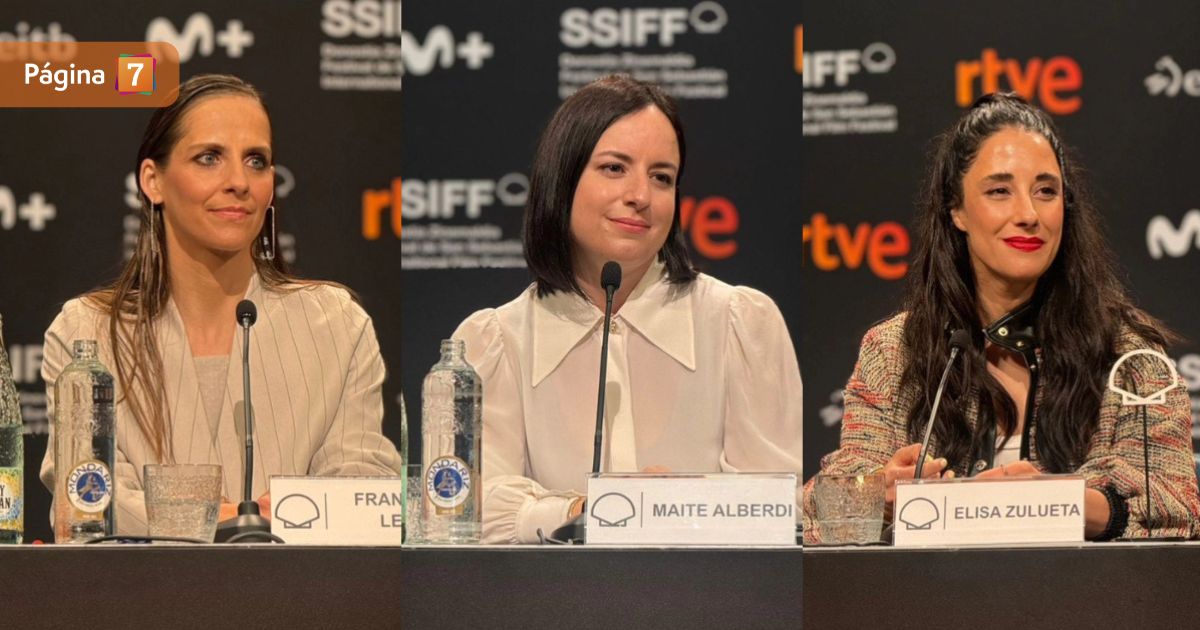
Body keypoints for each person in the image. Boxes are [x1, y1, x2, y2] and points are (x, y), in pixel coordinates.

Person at [804, 93, 1200, 543]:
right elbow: (818, 509)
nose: (1029, 215)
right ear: (957, 210)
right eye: (999, 191)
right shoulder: (894, 350)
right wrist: (878, 494)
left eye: (1046, 191)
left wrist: (1051, 500)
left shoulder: (1131, 356)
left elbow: (1177, 502)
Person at [40, 74, 402, 536]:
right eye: (209, 158)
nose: (238, 182)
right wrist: (234, 519)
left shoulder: (336, 325)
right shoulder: (85, 333)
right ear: (153, 180)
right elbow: (87, 503)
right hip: (136, 602)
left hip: (301, 602)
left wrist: (177, 513)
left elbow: (364, 490)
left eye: (257, 161)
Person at [451, 75, 803, 544]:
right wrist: (580, 511)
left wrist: (675, 507)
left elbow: (776, 508)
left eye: (662, 177)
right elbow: (470, 508)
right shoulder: (495, 340)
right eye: (615, 168)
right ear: (563, 177)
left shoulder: (740, 323)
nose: (640, 195)